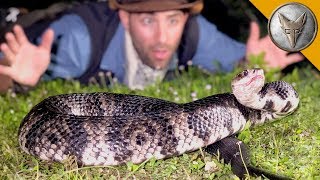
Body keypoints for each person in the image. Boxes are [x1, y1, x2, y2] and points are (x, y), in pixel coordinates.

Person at [0, 0, 303, 92]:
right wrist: (14, 80)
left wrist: (256, 60)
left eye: (173, 20)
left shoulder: (195, 32)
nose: (162, 37)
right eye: (147, 21)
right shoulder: (76, 42)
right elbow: (7, 70)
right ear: (124, 16)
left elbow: (239, 62)